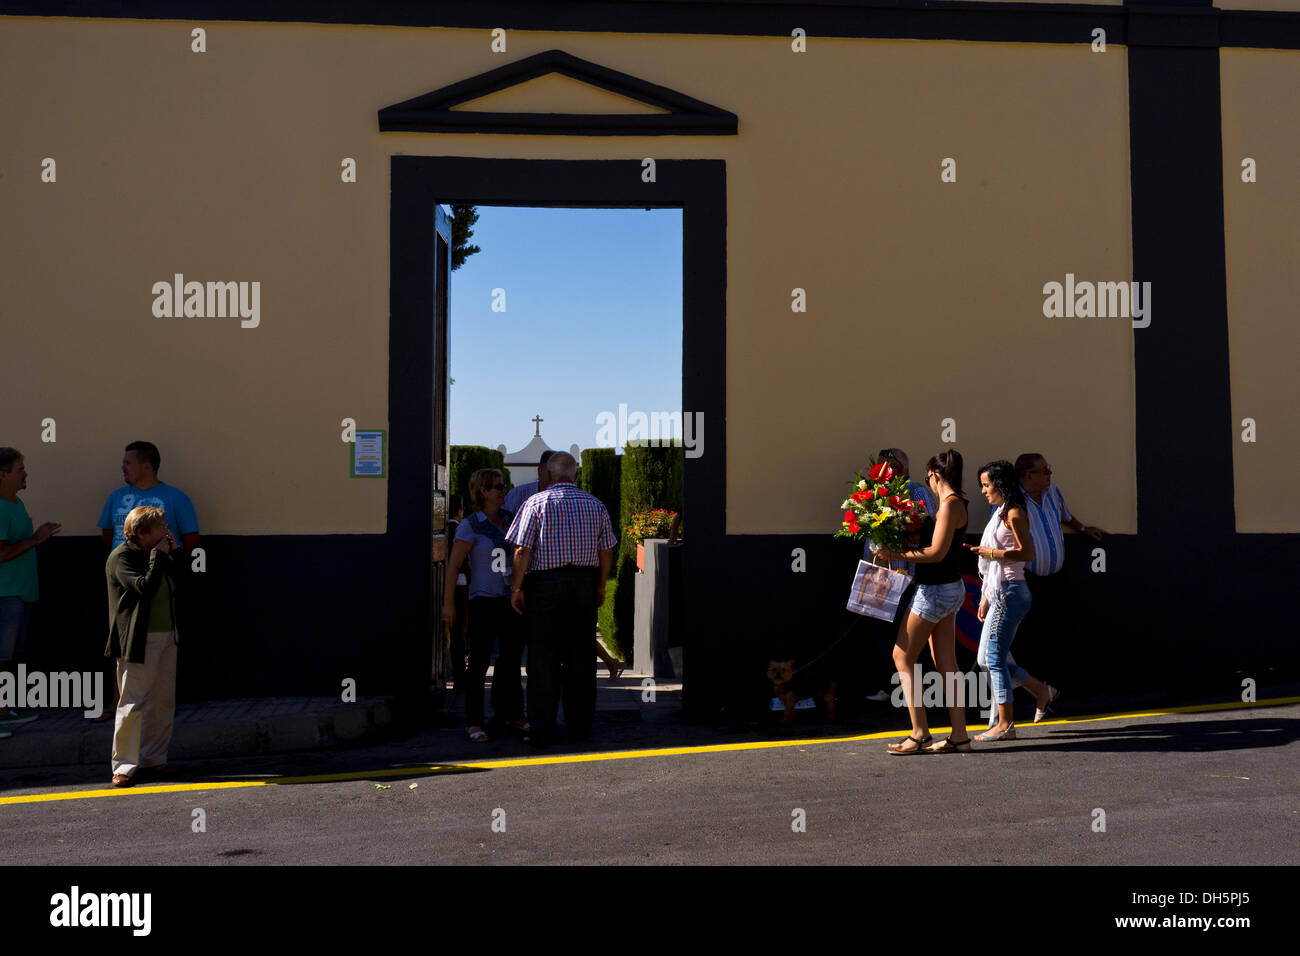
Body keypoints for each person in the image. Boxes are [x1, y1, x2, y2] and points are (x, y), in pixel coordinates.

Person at [506, 452, 616, 746]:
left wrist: (516, 589)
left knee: (544, 659)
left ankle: (542, 728)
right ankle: (580, 727)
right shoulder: (595, 505)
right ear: (575, 475)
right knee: (580, 658)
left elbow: (521, 551)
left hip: (545, 586)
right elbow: (606, 551)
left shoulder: (535, 503)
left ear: (549, 475)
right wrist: (601, 585)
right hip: (583, 584)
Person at [877, 450, 970, 754]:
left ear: (934, 474)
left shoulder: (949, 505)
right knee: (947, 664)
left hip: (935, 590)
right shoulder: (955, 504)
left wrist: (895, 555)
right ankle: (959, 736)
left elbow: (936, 553)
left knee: (901, 657)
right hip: (949, 588)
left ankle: (920, 733)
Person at [967, 460, 1053, 742]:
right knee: (987, 658)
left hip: (1011, 592)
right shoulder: (1002, 512)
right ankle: (1040, 690)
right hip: (1001, 591)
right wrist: (984, 597)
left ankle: (1005, 724)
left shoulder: (1014, 513)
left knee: (993, 659)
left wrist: (990, 553)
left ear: (1000, 485)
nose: (983, 491)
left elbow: (1027, 553)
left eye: (987, 485)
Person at [1015, 452, 1105, 709]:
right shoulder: (1014, 500)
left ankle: (1055, 689)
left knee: (1058, 632)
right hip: (1027, 578)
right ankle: (1033, 692)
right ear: (1027, 476)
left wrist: (1083, 528)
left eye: (1048, 470)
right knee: (1030, 637)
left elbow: (1065, 515)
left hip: (1056, 578)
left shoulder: (1052, 491)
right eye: (1044, 471)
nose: (1049, 474)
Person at [442, 471, 526, 742]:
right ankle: (474, 722)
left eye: (504, 486)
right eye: (497, 487)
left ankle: (512, 714)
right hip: (483, 602)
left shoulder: (512, 521)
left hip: (510, 600)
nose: (504, 491)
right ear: (482, 492)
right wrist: (448, 604)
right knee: (478, 664)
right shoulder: (470, 525)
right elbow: (453, 566)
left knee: (511, 662)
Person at [105, 506, 182, 786]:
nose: (165, 531)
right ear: (141, 532)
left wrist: (170, 556)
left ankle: (154, 758)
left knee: (163, 701)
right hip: (139, 638)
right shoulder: (122, 557)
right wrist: (158, 557)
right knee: (133, 701)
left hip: (166, 635)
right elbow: (144, 587)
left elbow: (179, 582)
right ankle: (123, 765)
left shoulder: (157, 556)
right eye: (160, 527)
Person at [0, 448, 61, 738]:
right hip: (4, 595)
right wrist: (37, 539)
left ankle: (4, 710)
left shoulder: (16, 503)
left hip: (20, 593)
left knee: (9, 656)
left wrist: (38, 537)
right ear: (3, 475)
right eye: (20, 469)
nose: (25, 473)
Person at [99, 441, 200, 553]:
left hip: (162, 568)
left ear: (147, 467)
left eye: (128, 463)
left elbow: (191, 539)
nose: (122, 467)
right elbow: (107, 534)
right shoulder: (115, 497)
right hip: (122, 568)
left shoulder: (177, 498)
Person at [444, 495, 469, 690]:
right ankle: (460, 672)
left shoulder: (444, 529)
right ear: (460, 511)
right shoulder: (460, 529)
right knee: (459, 630)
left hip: (446, 583)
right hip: (460, 585)